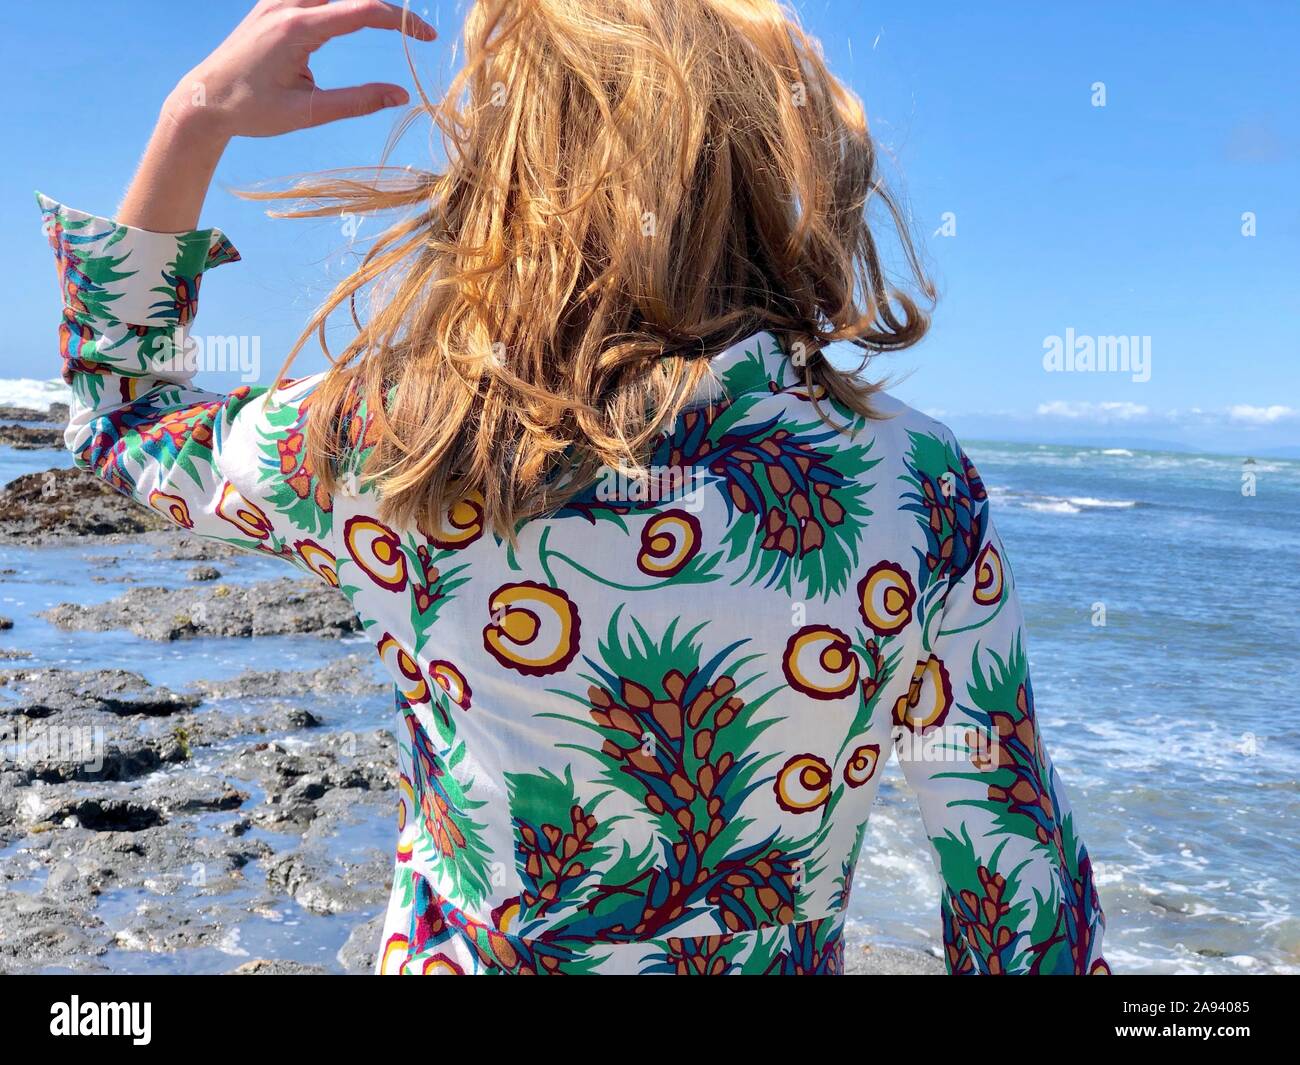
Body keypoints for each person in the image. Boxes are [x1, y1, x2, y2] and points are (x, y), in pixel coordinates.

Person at [38, 0, 1106, 975]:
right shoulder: (909, 485)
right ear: (765, 156)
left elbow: (125, 422)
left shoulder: (401, 439)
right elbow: (1018, 896)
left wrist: (194, 118)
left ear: (512, 163)